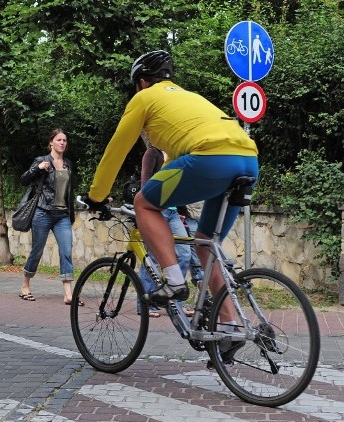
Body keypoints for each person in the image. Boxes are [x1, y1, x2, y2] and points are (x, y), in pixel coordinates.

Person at [85, 50, 258, 347]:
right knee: (205, 244)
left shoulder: (144, 98)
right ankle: (230, 324)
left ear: (141, 82)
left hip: (210, 157)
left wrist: (96, 196)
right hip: (248, 159)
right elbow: (175, 165)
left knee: (144, 203)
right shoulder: (190, 98)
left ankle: (174, 281)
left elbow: (116, 150)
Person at [19, 128, 77, 305]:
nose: (62, 143)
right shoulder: (42, 161)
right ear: (51, 142)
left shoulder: (68, 164)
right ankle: (25, 285)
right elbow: (24, 180)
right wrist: (37, 168)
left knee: (66, 251)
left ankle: (68, 293)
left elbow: (69, 190)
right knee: (37, 251)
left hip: (62, 215)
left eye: (64, 140)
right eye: (59, 140)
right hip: (42, 212)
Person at [136, 142, 191, 318]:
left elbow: (180, 184)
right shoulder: (152, 153)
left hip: (174, 212)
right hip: (156, 211)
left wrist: (182, 210)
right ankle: (146, 304)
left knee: (184, 254)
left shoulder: (176, 152)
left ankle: (175, 301)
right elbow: (146, 183)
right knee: (152, 257)